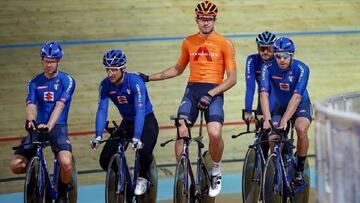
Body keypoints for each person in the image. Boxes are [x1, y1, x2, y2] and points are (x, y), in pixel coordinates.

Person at [139, 1, 236, 197]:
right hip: (192, 90)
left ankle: (216, 170)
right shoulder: (188, 42)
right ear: (197, 19)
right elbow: (177, 69)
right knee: (182, 129)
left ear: (214, 20)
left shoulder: (225, 43)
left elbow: (232, 78)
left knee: (214, 133)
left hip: (213, 92)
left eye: (209, 19)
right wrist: (149, 78)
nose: (205, 23)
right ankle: (183, 173)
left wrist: (211, 94)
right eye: (202, 19)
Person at [10, 42, 76, 198]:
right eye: (46, 61)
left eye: (52, 61)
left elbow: (59, 106)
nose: (49, 64)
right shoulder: (34, 82)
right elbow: (31, 103)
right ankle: (36, 177)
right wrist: (31, 120)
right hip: (39, 126)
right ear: (42, 60)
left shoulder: (67, 80)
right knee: (16, 166)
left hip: (57, 126)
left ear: (58, 62)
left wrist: (49, 125)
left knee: (66, 163)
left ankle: (61, 194)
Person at [90, 49, 159, 196]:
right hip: (127, 122)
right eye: (108, 69)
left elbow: (140, 110)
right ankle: (124, 177)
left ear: (123, 68)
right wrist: (98, 135)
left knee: (145, 151)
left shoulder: (135, 82)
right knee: (105, 160)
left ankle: (142, 176)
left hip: (145, 119)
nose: (110, 73)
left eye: (114, 69)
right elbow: (102, 110)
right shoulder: (105, 85)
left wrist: (136, 137)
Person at [260, 36, 312, 187]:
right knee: (272, 137)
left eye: (285, 56)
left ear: (292, 55)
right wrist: (267, 119)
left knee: (301, 128)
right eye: (278, 56)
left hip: (300, 104)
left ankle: (299, 170)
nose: (282, 60)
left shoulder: (302, 69)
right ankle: (278, 164)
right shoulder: (267, 68)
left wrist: (284, 120)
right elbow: (263, 94)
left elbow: (296, 97)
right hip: (279, 106)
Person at [244, 31, 277, 159]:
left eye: (268, 49)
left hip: (278, 98)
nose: (265, 52)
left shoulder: (279, 60)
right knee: (261, 136)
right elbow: (250, 87)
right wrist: (247, 109)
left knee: (276, 134)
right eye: (261, 48)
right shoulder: (252, 60)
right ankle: (262, 168)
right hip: (263, 97)